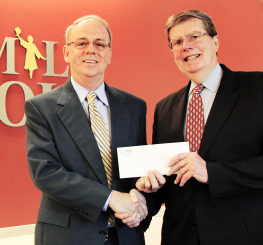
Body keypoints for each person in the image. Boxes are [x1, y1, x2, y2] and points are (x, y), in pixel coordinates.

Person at [135, 10, 263, 245]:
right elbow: (170, 177)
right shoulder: (165, 108)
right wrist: (150, 188)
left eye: (195, 36)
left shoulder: (257, 88)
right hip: (181, 237)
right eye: (178, 41)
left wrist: (212, 172)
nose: (187, 46)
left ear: (215, 42)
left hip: (243, 235)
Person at [25, 15, 148, 245]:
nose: (91, 50)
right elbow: (46, 173)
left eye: (100, 44)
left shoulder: (134, 106)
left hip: (126, 235)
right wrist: (110, 198)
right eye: (81, 43)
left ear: (109, 54)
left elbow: (137, 168)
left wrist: (141, 202)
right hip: (68, 237)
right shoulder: (41, 108)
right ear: (66, 53)